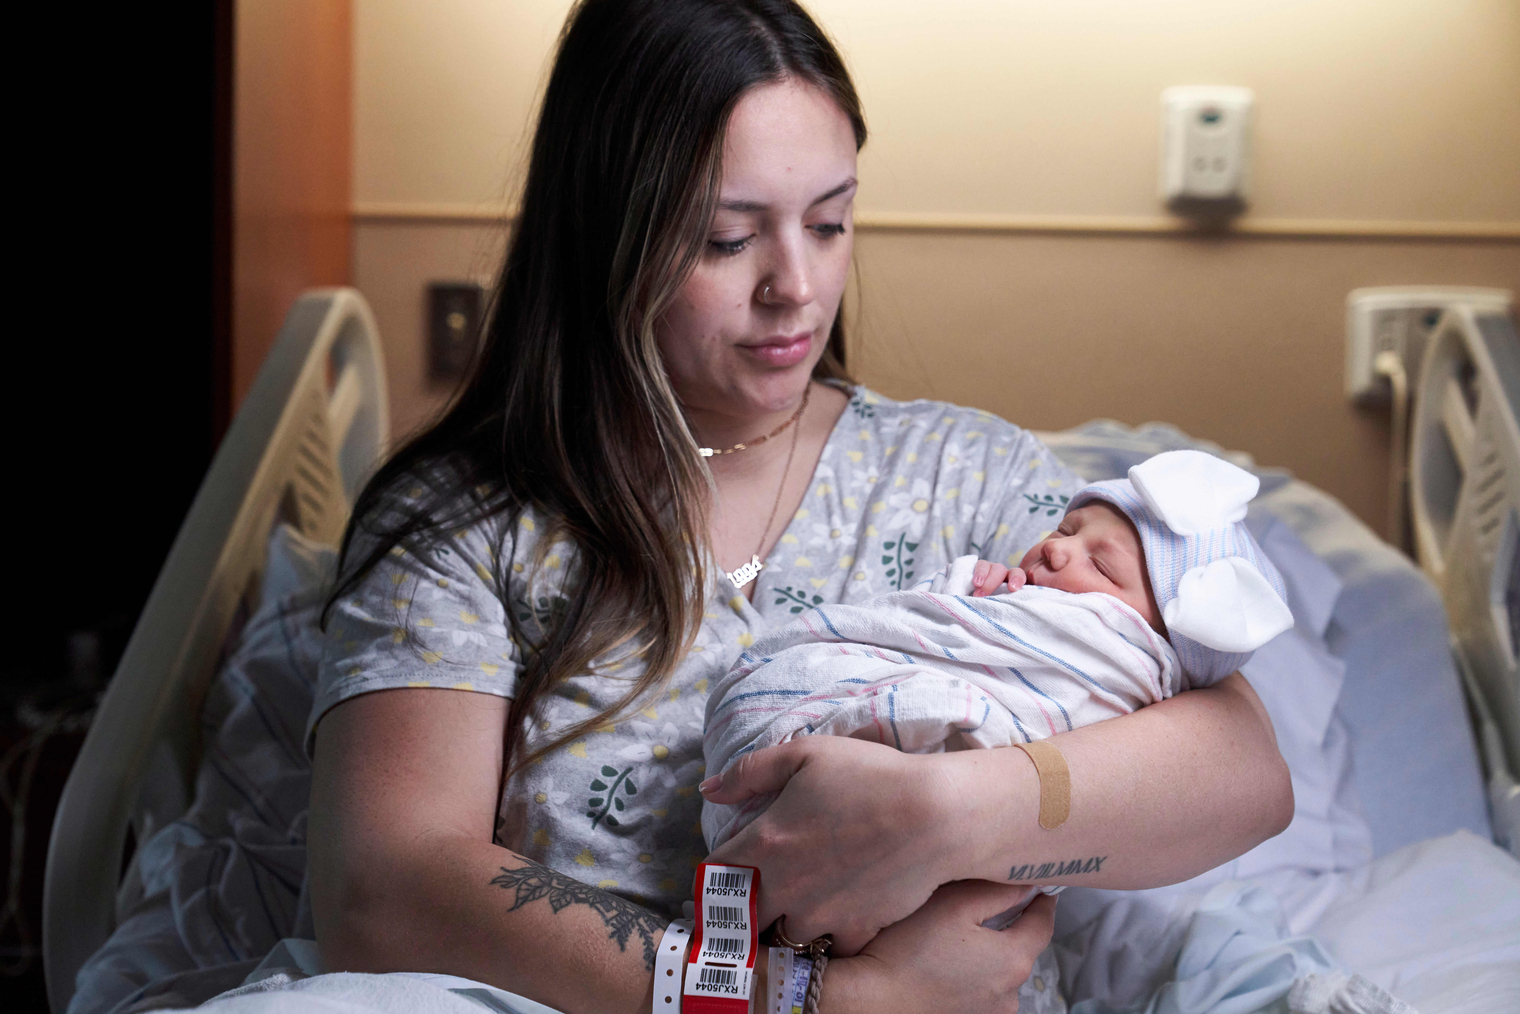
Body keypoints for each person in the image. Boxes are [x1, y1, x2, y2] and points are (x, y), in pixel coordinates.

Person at [305, 2, 1293, 1012]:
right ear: (604, 237)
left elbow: (1244, 779)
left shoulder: (963, 477)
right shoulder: (470, 526)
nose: (797, 286)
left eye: (828, 221)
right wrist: (805, 1001)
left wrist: (946, 812)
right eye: (725, 239)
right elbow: (382, 893)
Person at [702, 450, 1297, 854]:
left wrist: (951, 797)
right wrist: (963, 589)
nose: (1057, 552)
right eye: (1067, 531)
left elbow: (1247, 781)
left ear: (1156, 637)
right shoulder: (1009, 592)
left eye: (1102, 564)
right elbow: (918, 628)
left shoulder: (1131, 669)